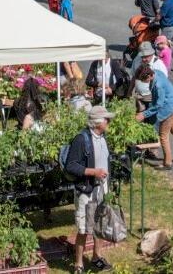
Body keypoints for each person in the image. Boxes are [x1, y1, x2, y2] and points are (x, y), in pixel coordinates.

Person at [65, 106, 114, 274]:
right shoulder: (81, 139)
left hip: (102, 189)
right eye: (106, 119)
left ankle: (96, 257)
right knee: (84, 228)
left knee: (99, 225)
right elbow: (71, 166)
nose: (109, 121)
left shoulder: (102, 136)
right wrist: (94, 172)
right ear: (97, 122)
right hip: (86, 190)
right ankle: (78, 264)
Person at [136, 64, 173, 170]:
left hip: (168, 107)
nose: (143, 82)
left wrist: (143, 114)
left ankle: (167, 163)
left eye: (143, 80)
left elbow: (159, 105)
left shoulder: (158, 85)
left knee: (163, 135)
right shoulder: (156, 72)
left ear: (149, 76)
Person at [130, 43, 167, 110]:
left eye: (146, 56)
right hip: (138, 96)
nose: (143, 59)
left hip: (152, 99)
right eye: (142, 56)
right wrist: (129, 92)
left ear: (152, 54)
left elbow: (163, 85)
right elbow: (133, 77)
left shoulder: (159, 65)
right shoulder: (137, 60)